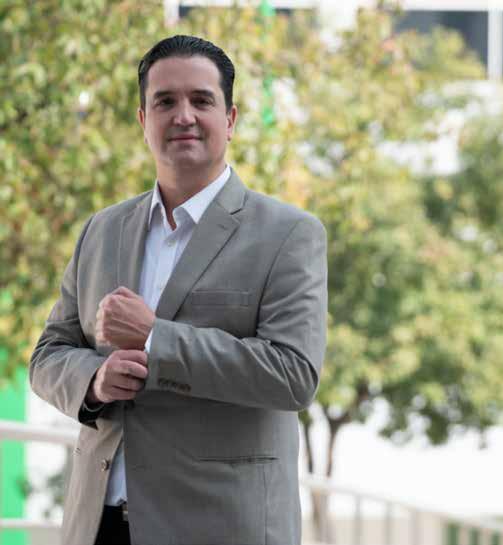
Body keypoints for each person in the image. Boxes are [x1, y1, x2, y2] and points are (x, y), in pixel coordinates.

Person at [29, 35, 327, 545]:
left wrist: (155, 338)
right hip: (97, 522)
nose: (183, 115)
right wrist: (95, 381)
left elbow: (292, 374)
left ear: (230, 119)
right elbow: (48, 355)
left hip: (218, 526)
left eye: (201, 100)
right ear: (143, 120)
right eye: (165, 101)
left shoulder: (288, 234)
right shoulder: (102, 230)